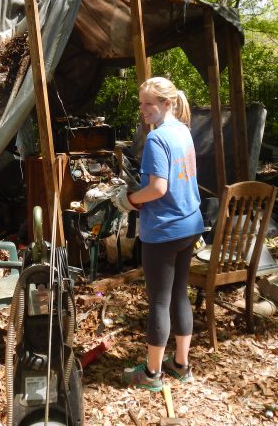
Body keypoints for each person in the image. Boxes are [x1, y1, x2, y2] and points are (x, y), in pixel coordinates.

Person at [111, 76, 204, 392]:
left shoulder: (157, 139)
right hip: (190, 225)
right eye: (141, 103)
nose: (144, 109)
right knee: (179, 294)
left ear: (168, 103)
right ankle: (180, 365)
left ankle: (151, 374)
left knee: (159, 303)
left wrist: (128, 200)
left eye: (149, 103)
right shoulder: (183, 132)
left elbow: (158, 188)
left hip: (164, 230)